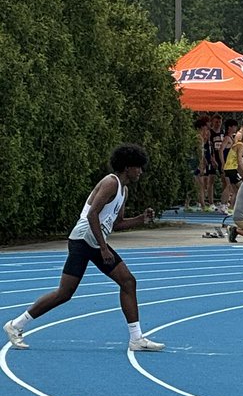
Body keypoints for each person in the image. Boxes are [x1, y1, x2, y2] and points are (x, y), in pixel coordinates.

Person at [4, 144, 164, 352]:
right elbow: (92, 215)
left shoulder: (123, 191)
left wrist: (141, 219)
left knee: (128, 282)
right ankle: (15, 325)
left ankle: (136, 339)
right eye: (138, 167)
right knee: (65, 293)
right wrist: (104, 248)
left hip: (95, 242)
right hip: (82, 240)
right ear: (127, 167)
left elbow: (117, 224)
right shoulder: (110, 183)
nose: (141, 172)